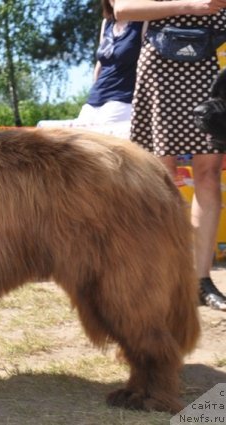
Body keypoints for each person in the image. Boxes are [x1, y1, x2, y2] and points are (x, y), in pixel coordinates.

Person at [114, 0, 226, 310]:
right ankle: (163, 279)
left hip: (212, 61)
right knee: (161, 179)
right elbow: (123, 8)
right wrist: (191, 4)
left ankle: (201, 281)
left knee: (209, 174)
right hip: (162, 63)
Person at [75, 0, 143, 125]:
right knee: (80, 137)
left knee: (103, 138)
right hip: (96, 97)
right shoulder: (107, 23)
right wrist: (94, 90)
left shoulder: (142, 23)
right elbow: (100, 64)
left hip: (123, 98)